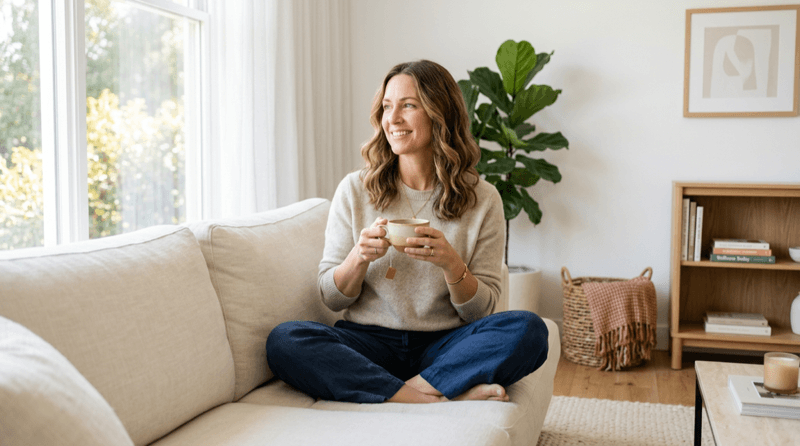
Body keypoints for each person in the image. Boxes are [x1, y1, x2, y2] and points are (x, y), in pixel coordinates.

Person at [266, 59, 548, 404]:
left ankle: (401, 390)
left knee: (530, 330)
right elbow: (332, 298)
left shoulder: (483, 198)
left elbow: (480, 311)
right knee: (286, 340)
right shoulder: (355, 189)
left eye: (408, 106)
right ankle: (433, 395)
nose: (393, 119)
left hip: (445, 344)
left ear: (439, 113)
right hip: (368, 342)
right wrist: (359, 256)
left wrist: (451, 264)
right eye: (387, 107)